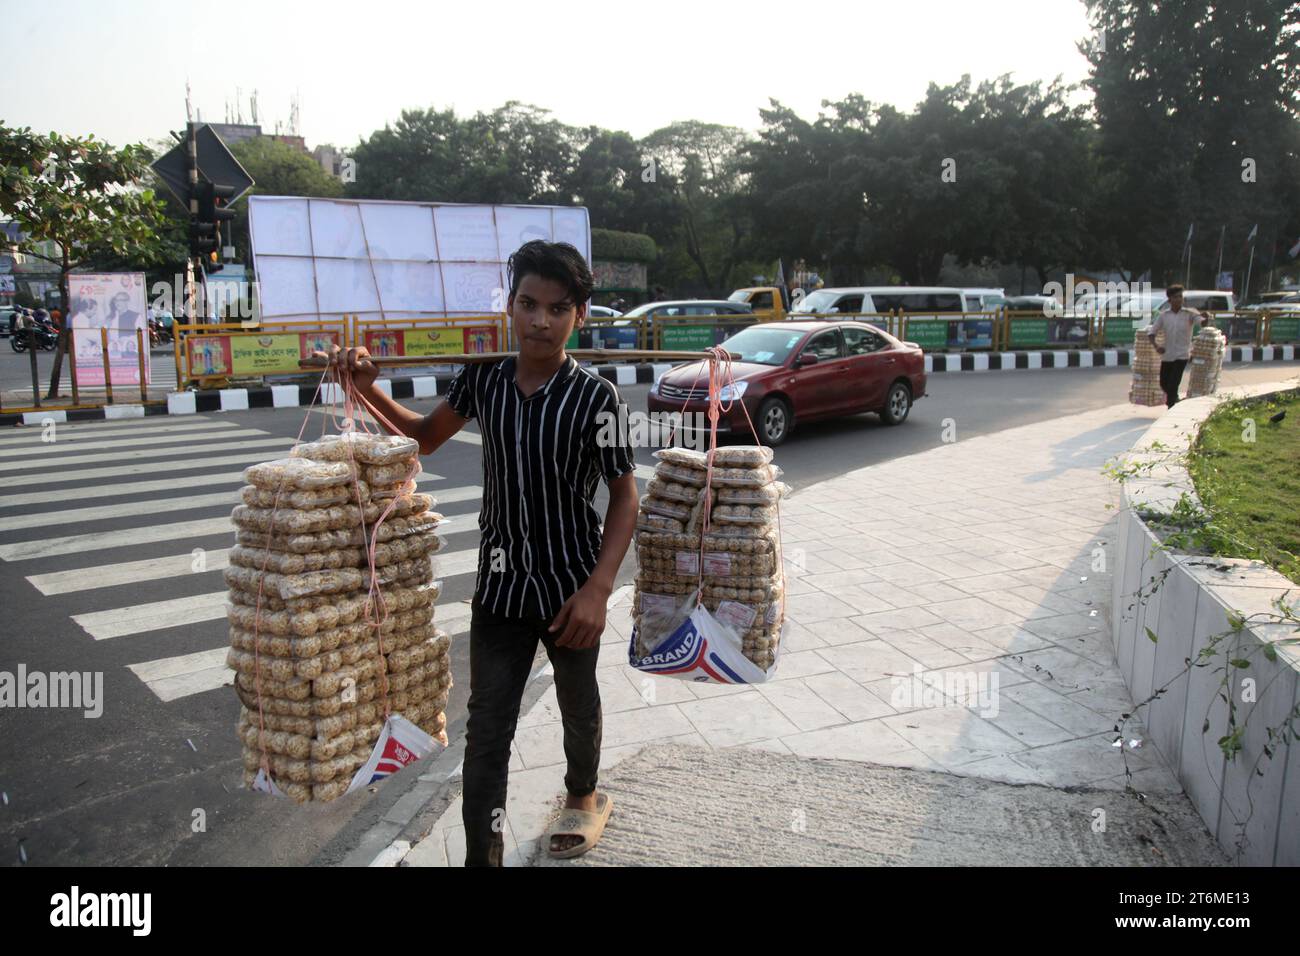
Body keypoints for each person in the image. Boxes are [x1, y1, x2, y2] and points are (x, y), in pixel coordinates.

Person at [313, 241, 639, 866]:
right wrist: (366, 388)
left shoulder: (598, 399)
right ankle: (480, 858)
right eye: (528, 304)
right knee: (487, 729)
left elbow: (626, 498)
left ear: (581, 314)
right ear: (510, 305)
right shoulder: (483, 377)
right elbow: (423, 438)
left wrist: (599, 589)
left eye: (558, 308)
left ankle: (584, 793)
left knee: (577, 701)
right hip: (499, 591)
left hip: (571, 589)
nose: (541, 321)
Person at [1146, 284, 1205, 408]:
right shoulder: (1163, 316)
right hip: (1167, 355)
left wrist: (1206, 318)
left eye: (1180, 296)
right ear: (1169, 300)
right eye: (1175, 297)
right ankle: (1174, 398)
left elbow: (1202, 322)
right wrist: (1157, 346)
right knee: (1163, 383)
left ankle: (1171, 406)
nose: (1179, 299)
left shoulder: (1190, 313)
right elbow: (1151, 333)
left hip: (1182, 355)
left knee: (1173, 383)